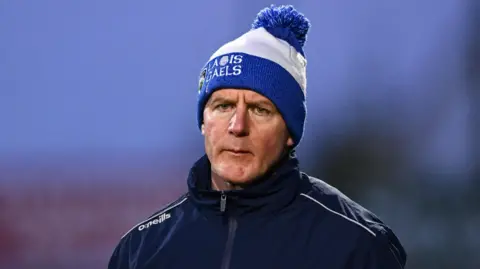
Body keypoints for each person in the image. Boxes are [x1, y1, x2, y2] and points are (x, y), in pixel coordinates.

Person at [108, 4, 407, 269]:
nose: (238, 125)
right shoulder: (140, 250)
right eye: (223, 106)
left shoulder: (356, 245)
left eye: (259, 109)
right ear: (203, 122)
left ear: (290, 131)